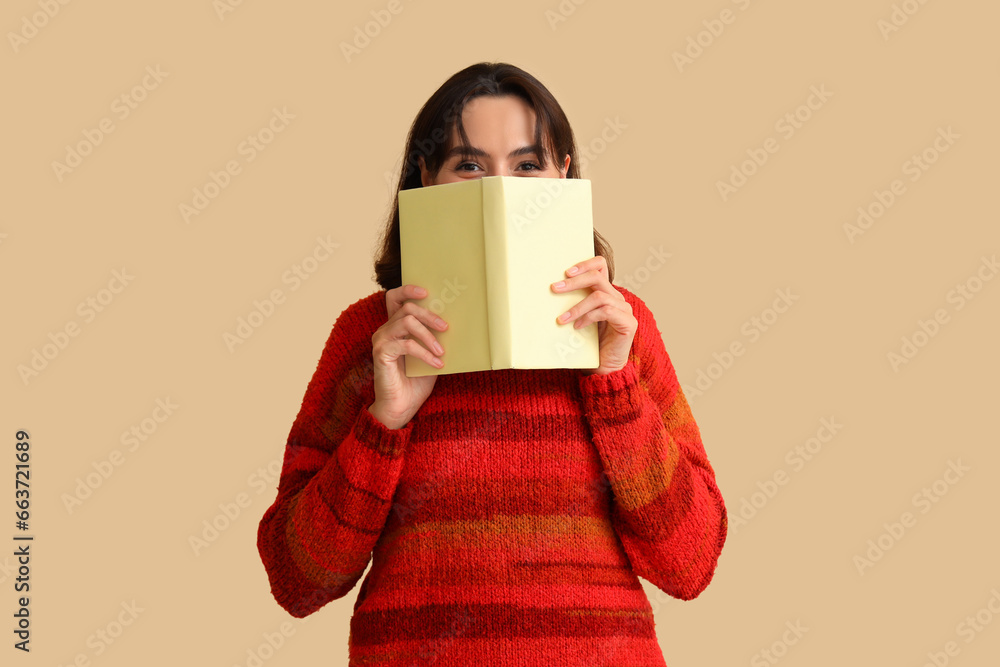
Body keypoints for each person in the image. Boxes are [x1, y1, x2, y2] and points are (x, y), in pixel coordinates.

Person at [256, 61, 728, 667]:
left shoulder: (621, 325)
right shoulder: (368, 336)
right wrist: (383, 423)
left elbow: (690, 564)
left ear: (564, 178)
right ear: (426, 178)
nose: (498, 188)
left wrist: (615, 389)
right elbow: (297, 581)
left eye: (528, 165)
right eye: (470, 165)